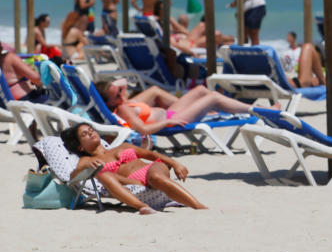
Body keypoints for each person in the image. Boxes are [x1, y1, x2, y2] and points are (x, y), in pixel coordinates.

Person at [60, 123, 206, 213]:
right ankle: (142, 207)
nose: (90, 133)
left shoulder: (123, 146)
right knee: (103, 175)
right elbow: (73, 178)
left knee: (155, 177)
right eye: (84, 134)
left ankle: (198, 206)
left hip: (152, 169)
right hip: (132, 183)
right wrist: (84, 166)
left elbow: (151, 154)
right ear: (80, 146)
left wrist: (175, 164)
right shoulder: (87, 160)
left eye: (91, 130)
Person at [95, 75, 252, 139]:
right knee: (213, 97)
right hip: (173, 120)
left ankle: (227, 108)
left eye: (121, 91)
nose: (123, 94)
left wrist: (116, 90)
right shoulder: (122, 109)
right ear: (109, 103)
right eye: (117, 95)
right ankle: (253, 109)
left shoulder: (121, 103)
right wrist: (164, 123)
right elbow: (143, 129)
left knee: (201, 90)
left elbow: (122, 81)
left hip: (170, 114)